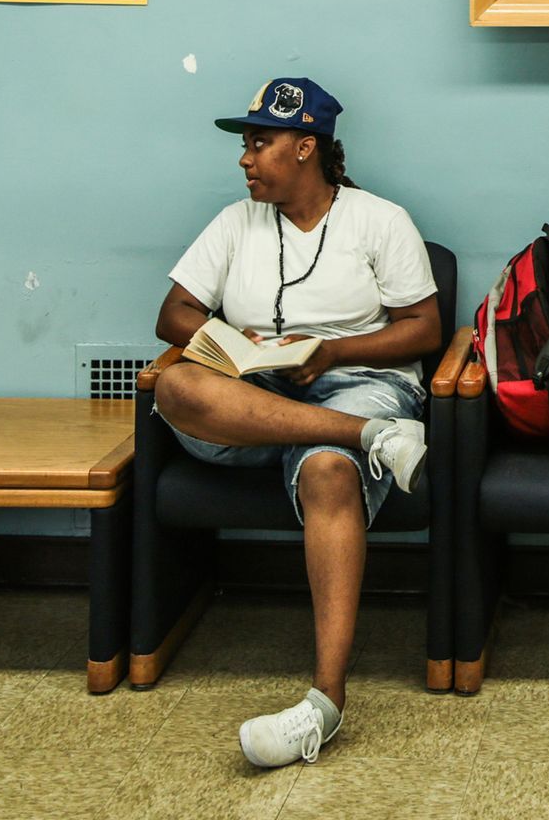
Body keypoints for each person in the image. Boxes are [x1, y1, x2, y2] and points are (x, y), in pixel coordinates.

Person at [152, 76, 442, 769]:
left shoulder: (379, 221)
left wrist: (330, 352)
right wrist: (244, 349)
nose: (246, 159)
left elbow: (424, 328)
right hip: (253, 397)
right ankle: (373, 442)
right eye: (246, 145)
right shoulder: (235, 223)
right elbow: (174, 315)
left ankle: (324, 703)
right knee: (173, 385)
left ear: (306, 147)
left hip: (356, 383)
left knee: (327, 473)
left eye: (261, 143)